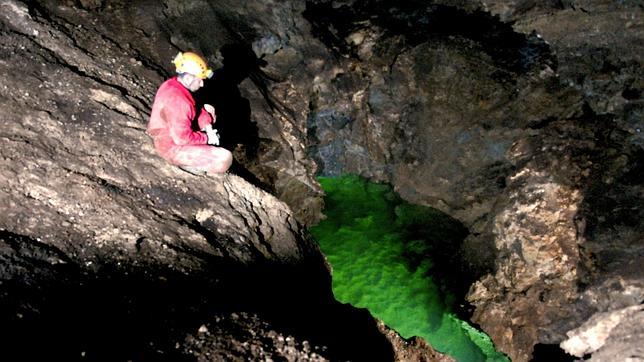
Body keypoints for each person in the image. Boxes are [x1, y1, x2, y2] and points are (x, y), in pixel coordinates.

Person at [147, 51, 232, 175]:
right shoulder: (179, 101)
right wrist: (207, 138)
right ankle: (187, 164)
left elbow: (196, 109)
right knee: (225, 158)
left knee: (209, 111)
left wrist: (207, 127)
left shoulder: (173, 84)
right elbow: (182, 139)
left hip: (170, 131)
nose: (202, 84)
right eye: (199, 80)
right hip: (170, 146)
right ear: (188, 78)